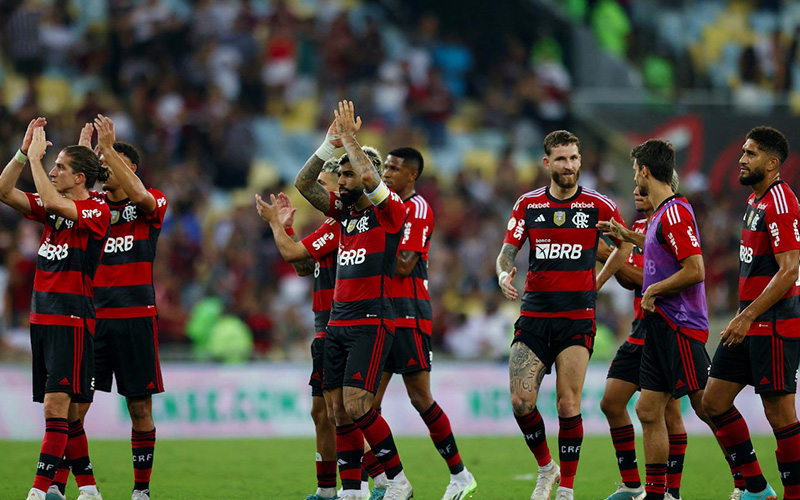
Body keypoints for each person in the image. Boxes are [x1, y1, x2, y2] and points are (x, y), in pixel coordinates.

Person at [496, 129, 633, 500]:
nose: (568, 165)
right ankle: (547, 468)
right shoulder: (528, 205)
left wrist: (599, 281)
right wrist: (502, 272)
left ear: (580, 160)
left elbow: (625, 244)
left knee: (567, 403)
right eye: (560, 159)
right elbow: (507, 251)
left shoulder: (598, 206)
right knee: (520, 402)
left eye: (573, 158)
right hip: (535, 315)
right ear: (547, 163)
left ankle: (567, 488)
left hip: (577, 317)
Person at [294, 101, 412, 500]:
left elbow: (366, 173)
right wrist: (329, 146)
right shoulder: (344, 215)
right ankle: (351, 492)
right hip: (337, 323)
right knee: (338, 412)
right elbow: (303, 184)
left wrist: (349, 139)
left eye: (348, 174)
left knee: (360, 405)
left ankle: (397, 481)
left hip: (371, 319)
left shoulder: (390, 212)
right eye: (339, 174)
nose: (341, 181)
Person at [46, 115, 168, 500]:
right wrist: (84, 152)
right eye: (101, 162)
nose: (104, 166)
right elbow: (64, 191)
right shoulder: (92, 206)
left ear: (129, 169)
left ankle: (141, 491)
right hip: (91, 320)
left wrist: (110, 150)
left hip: (136, 319)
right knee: (73, 411)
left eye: (111, 162)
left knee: (140, 410)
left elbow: (142, 195)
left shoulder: (152, 202)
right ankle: (63, 488)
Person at [0, 118, 110, 500]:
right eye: (53, 164)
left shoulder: (98, 211)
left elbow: (49, 198)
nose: (52, 169)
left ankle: (38, 491)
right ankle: (90, 491)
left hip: (72, 318)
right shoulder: (52, 213)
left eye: (60, 166)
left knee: (56, 407)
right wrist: (21, 152)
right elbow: (3, 190)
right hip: (41, 317)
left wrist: (34, 157)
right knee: (72, 414)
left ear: (80, 178)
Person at [600, 139, 714, 500]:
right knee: (639, 407)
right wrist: (623, 239)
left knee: (705, 407)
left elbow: (690, 270)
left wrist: (602, 252)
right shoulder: (653, 222)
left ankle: (749, 481)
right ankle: (650, 491)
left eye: (636, 175)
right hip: (650, 326)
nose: (635, 186)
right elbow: (640, 260)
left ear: (646, 172)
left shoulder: (674, 213)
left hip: (676, 324)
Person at [372, 147, 477, 500]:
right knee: (365, 406)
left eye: (394, 168)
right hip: (382, 313)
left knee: (420, 398)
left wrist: (366, 254)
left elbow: (403, 264)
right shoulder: (384, 209)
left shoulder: (417, 209)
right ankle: (389, 481)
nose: (386, 173)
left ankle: (460, 474)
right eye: (385, 166)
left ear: (411, 176)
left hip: (409, 314)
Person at [702, 126, 800, 500]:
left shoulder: (780, 202)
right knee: (713, 402)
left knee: (780, 416)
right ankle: (757, 488)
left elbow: (788, 269)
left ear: (772, 164)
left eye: (752, 154)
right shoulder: (756, 201)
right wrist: (744, 315)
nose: (742, 160)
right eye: (743, 152)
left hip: (774, 324)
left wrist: (747, 315)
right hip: (748, 320)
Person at [255, 160, 344, 500]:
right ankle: (327, 490)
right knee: (322, 411)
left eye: (323, 184)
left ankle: (372, 483)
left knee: (347, 411)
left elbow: (292, 254)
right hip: (324, 324)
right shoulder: (330, 227)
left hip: (344, 325)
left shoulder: (344, 224)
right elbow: (306, 265)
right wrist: (288, 229)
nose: (316, 192)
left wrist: (276, 225)